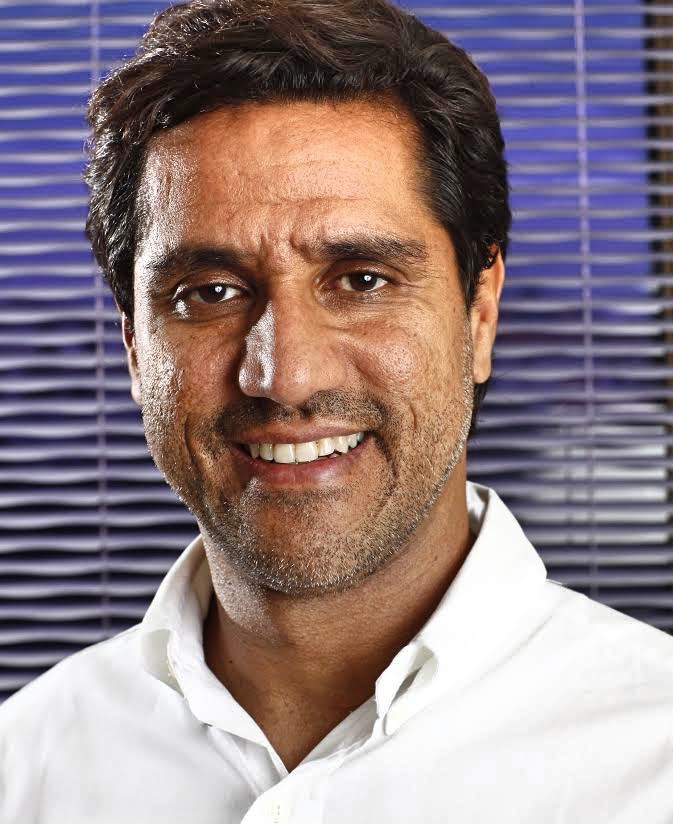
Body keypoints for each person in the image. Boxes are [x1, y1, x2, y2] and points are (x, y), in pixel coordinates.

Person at [2, 0, 673, 821]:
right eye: (209, 293)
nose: (283, 377)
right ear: (135, 345)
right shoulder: (23, 769)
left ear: (479, 312)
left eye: (361, 280)